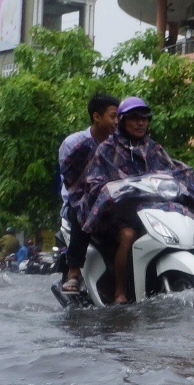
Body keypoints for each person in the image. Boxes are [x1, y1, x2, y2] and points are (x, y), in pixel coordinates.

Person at [77, 97, 194, 303]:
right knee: (127, 236)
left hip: (151, 210)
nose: (140, 123)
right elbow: (94, 183)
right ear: (122, 121)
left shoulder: (154, 149)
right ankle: (120, 292)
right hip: (117, 214)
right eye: (135, 119)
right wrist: (113, 190)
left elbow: (171, 170)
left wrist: (184, 177)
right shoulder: (107, 149)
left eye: (144, 119)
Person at [57, 93, 120, 298]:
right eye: (113, 116)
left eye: (119, 117)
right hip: (78, 203)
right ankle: (73, 272)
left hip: (113, 203)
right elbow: (71, 181)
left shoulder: (120, 144)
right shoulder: (74, 143)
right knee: (84, 209)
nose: (117, 122)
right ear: (97, 116)